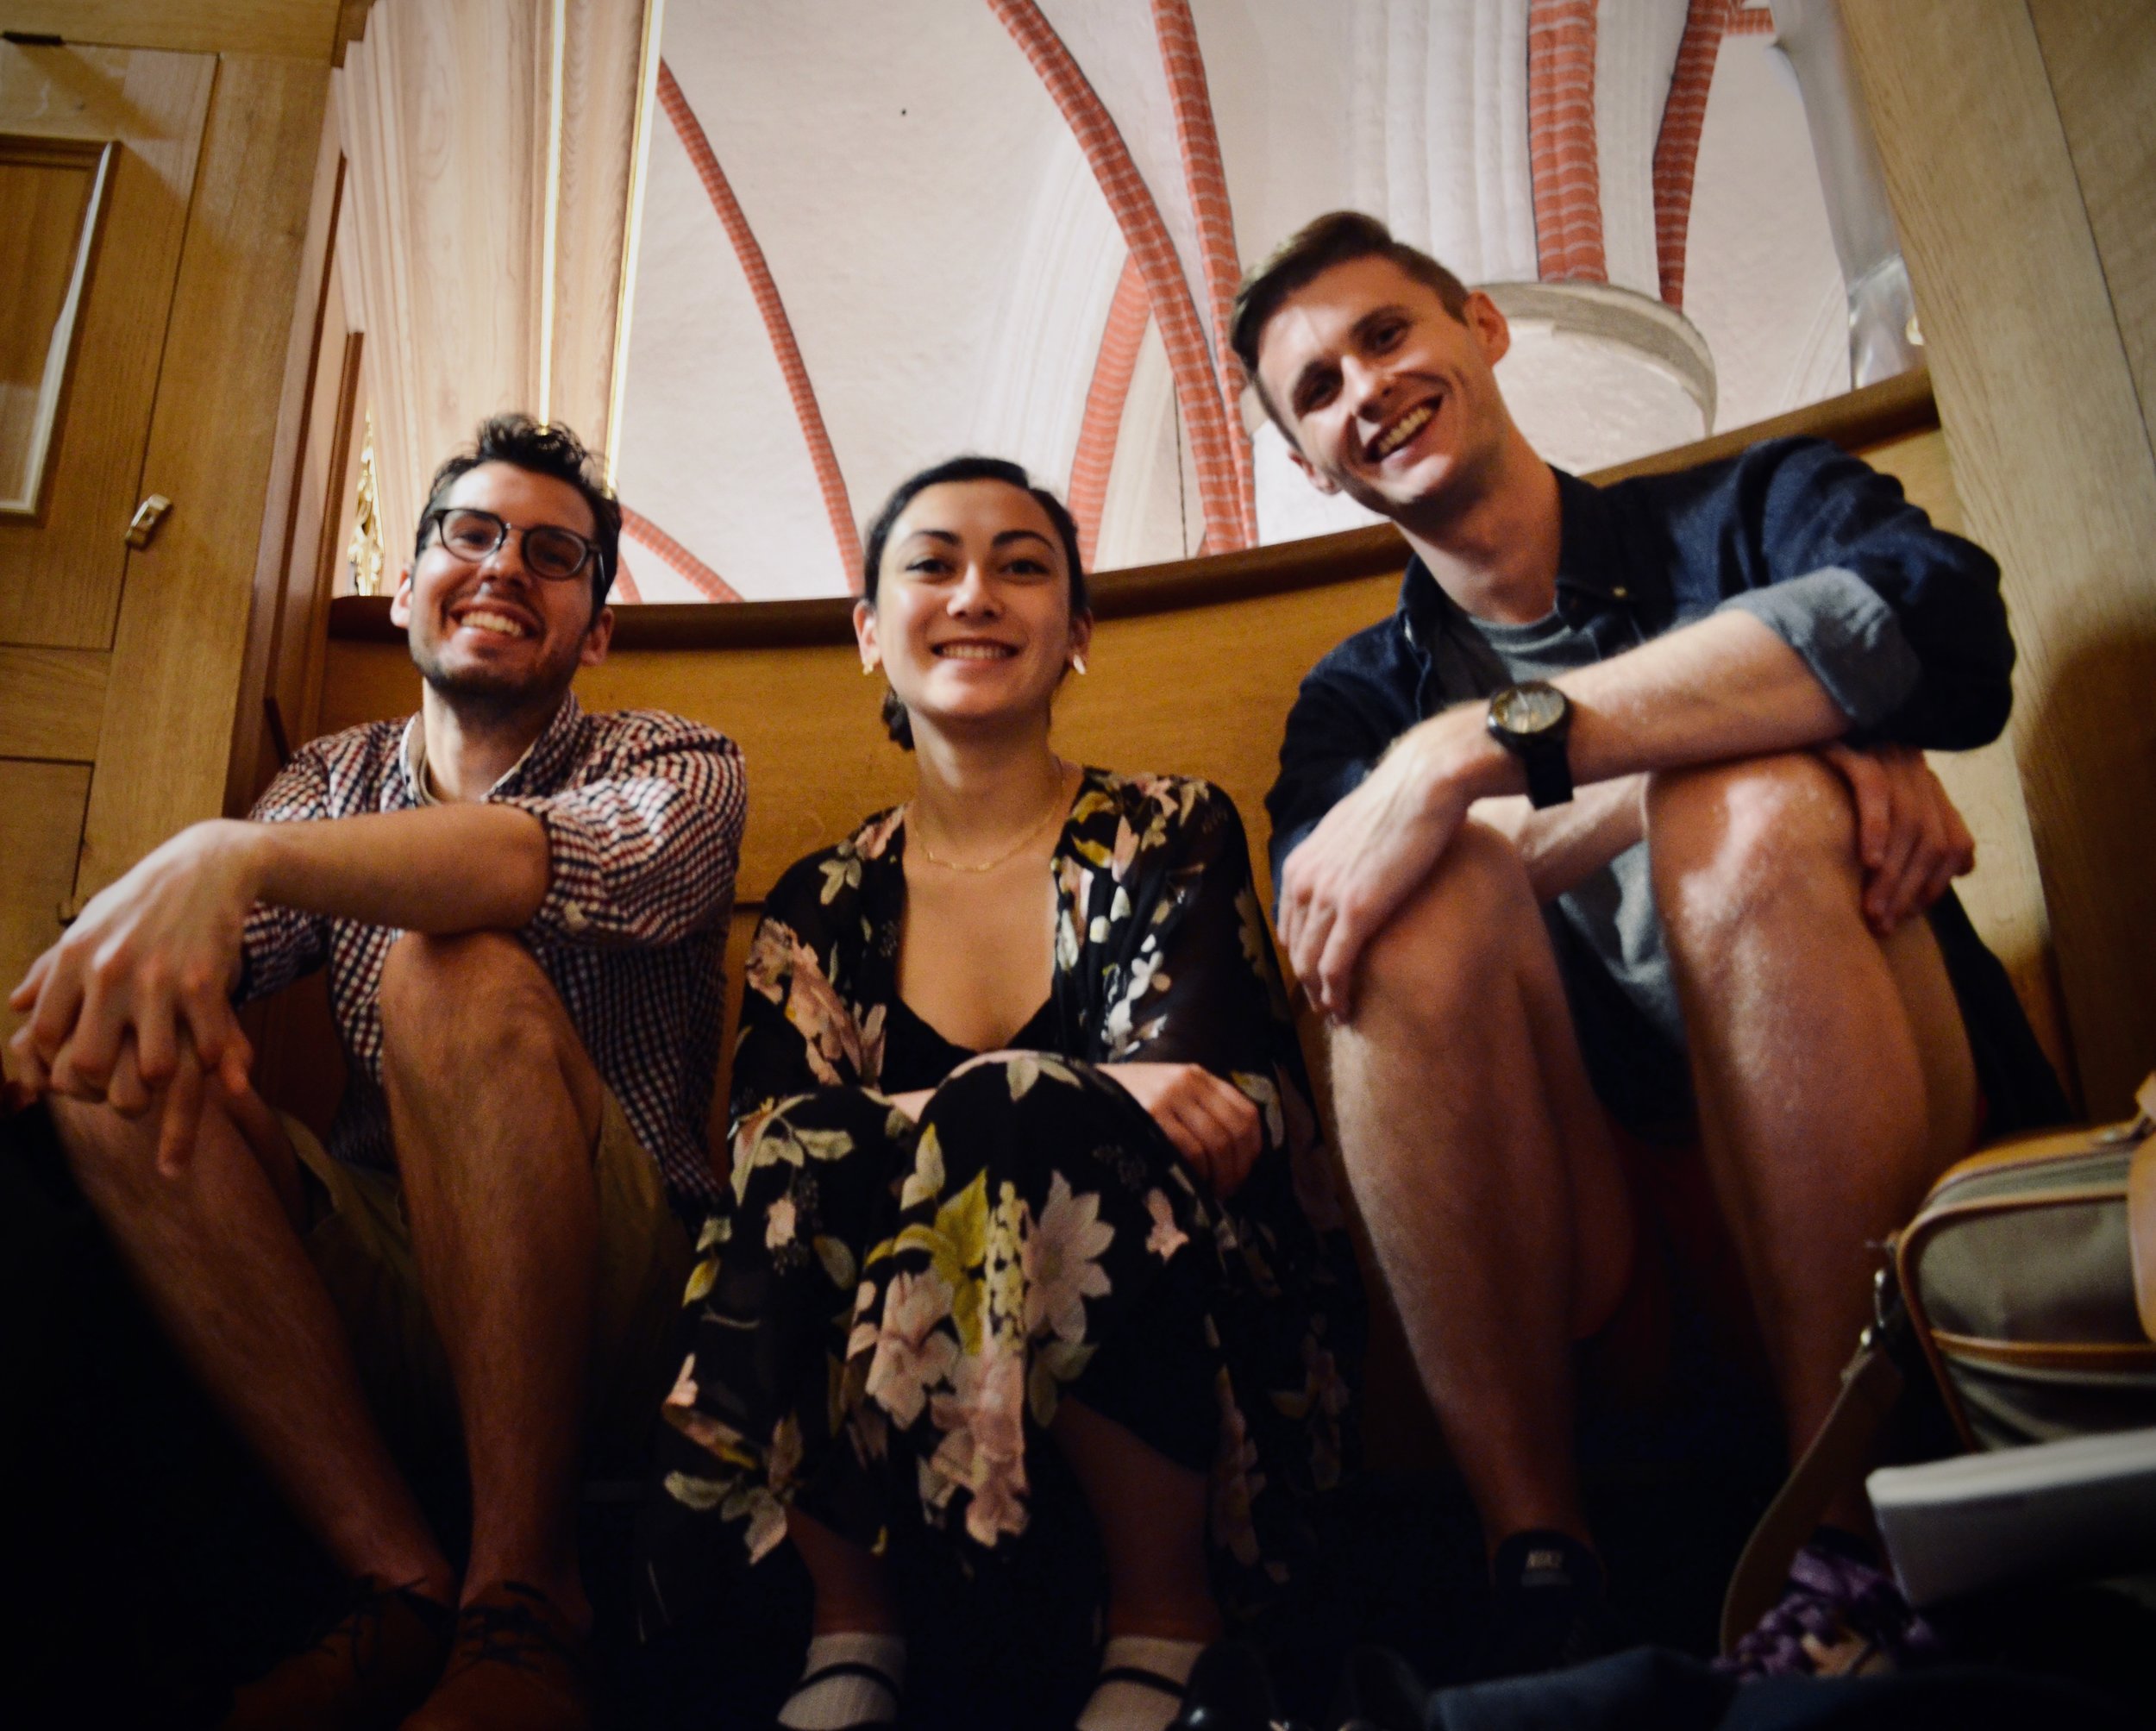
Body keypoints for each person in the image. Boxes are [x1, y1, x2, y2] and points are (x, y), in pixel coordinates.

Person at [1232, 213, 2065, 1678]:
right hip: (1601, 1237)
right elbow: (1330, 912)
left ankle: (1839, 1540)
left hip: (1887, 1163)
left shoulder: (1751, 511)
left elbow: (1942, 627)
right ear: (1312, 465)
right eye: (1315, 389)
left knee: (1741, 807)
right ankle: (1538, 1562)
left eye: (1385, 334)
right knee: (1416, 907)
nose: (1363, 387)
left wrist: (1472, 767)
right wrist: (1789, 705)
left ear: (1480, 328)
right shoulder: (1354, 704)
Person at [5, 415, 746, 1731]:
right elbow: (175, 964)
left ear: (598, 629)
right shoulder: (330, 778)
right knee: (108, 1072)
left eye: (554, 552)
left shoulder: (679, 763)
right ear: (409, 588)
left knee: (447, 962)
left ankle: (528, 1599)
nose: (505, 564)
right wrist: (73, 1006)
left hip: (624, 1301)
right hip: (381, 1276)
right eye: (469, 534)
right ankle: (399, 1586)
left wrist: (229, 855)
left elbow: (513, 863)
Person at [640, 458, 1359, 1731]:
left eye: (1022, 566)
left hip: (1199, 1362)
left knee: (1031, 1115)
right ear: (870, 632)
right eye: (931, 564)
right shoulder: (824, 896)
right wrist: (1000, 1096)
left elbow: (1211, 1120)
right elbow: (765, 1139)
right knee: (825, 1150)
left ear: (1076, 631)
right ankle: (854, 1628)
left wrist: (1000, 1103)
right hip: (885, 1397)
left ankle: (1166, 1627)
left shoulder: (1168, 832)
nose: (976, 593)